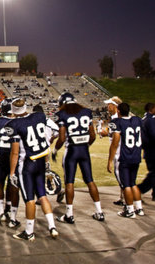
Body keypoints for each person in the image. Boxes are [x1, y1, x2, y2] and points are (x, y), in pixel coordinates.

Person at [7, 98, 58, 242]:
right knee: (42, 196)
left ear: (14, 111)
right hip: (41, 160)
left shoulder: (14, 124)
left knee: (29, 199)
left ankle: (29, 232)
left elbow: (15, 152)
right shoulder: (39, 116)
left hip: (28, 164)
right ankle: (52, 227)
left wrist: (12, 173)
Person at [51, 93, 104, 223]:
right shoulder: (86, 111)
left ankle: (69, 214)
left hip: (72, 151)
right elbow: (93, 135)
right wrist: (86, 146)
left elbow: (62, 138)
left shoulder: (62, 114)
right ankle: (99, 211)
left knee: (69, 182)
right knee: (90, 180)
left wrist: (55, 150)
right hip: (84, 150)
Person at [107, 103, 145, 218]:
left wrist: (109, 160)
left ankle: (129, 210)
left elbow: (115, 142)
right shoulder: (137, 120)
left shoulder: (117, 123)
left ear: (118, 111)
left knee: (126, 185)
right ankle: (139, 208)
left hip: (123, 157)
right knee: (133, 183)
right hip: (136, 156)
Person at [0, 98, 20, 228]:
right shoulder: (19, 122)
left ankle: (1, 212)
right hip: (14, 158)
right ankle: (13, 217)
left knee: (0, 184)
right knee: (13, 186)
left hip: (1, 158)